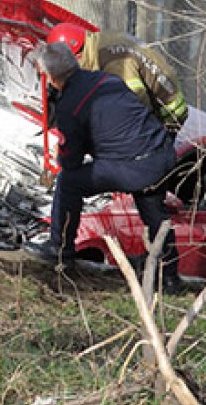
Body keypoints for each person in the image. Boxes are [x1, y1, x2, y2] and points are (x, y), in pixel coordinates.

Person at [24, 42, 182, 292]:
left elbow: (71, 161)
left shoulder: (70, 105)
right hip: (160, 154)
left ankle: (60, 248)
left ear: (52, 78)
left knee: (69, 182)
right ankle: (170, 276)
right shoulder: (106, 79)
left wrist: (64, 153)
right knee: (154, 212)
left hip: (132, 166)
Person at [46, 23, 188, 131]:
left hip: (167, 115)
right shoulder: (98, 43)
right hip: (155, 104)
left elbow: (134, 103)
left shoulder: (114, 61)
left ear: (77, 56)